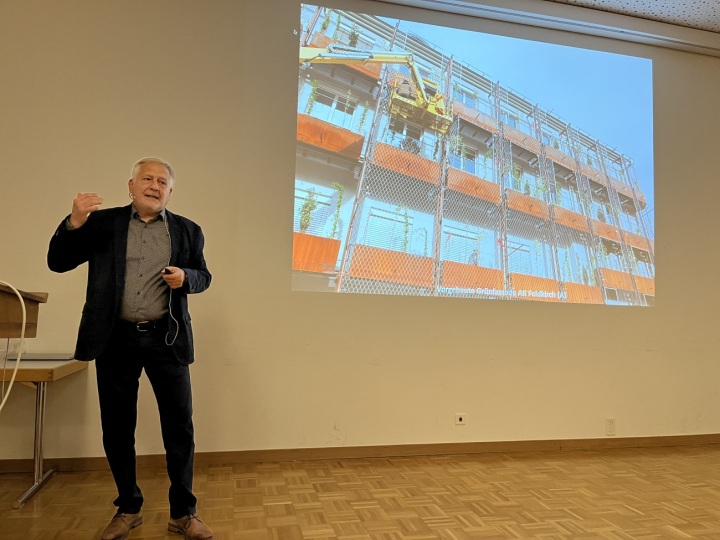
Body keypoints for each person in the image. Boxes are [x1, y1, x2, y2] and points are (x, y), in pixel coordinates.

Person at [47, 157, 213, 540]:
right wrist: (73, 222)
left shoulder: (188, 231)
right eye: (147, 179)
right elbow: (58, 262)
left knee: (179, 427)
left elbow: (204, 276)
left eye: (162, 182)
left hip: (166, 339)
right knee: (118, 427)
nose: (154, 186)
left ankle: (184, 513)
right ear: (131, 185)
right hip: (115, 339)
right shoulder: (104, 224)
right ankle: (128, 507)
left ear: (170, 192)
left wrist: (186, 277)